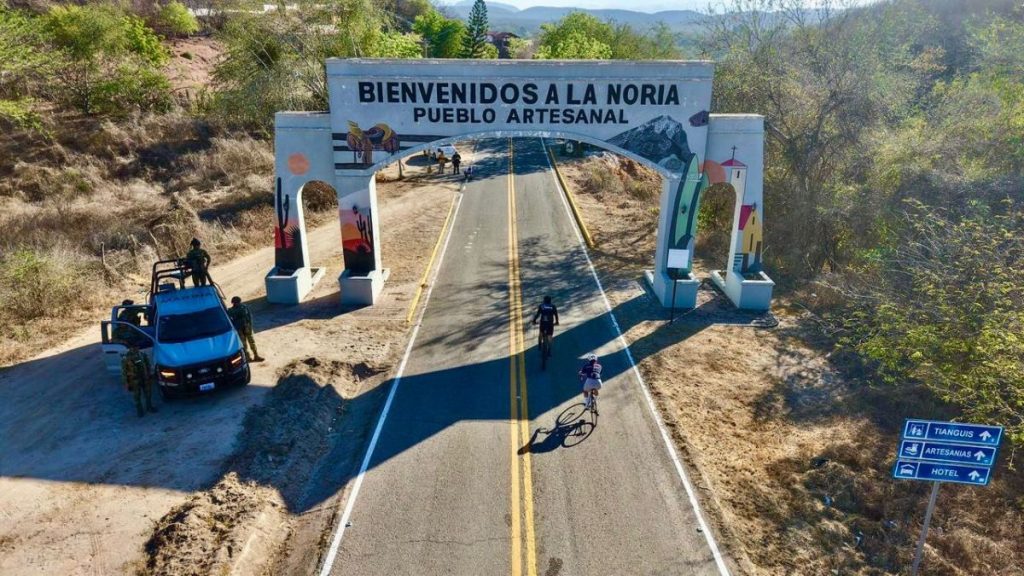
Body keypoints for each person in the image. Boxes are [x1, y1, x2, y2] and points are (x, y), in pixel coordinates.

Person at [122, 343, 156, 417]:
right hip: (135, 380)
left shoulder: (142, 355)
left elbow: (148, 365)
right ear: (130, 348)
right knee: (137, 396)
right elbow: (124, 372)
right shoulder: (126, 358)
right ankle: (139, 411)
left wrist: (150, 375)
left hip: (145, 378)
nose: (135, 348)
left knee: (148, 393)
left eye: (136, 347)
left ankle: (149, 407)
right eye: (133, 347)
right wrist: (126, 383)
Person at [228, 296, 264, 362]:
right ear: (233, 303)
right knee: (244, 344)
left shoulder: (244, 307)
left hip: (246, 327)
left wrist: (250, 325)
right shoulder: (231, 311)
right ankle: (248, 357)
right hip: (239, 329)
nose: (238, 303)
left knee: (252, 342)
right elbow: (231, 321)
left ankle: (256, 355)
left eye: (238, 302)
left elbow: (249, 316)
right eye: (237, 302)